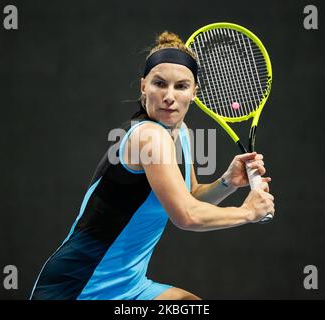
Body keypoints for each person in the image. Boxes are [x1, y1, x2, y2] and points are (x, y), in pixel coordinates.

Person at [30, 31, 275, 300]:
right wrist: (248, 212)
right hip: (79, 287)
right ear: (144, 86)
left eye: (181, 86)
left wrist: (227, 182)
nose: (169, 96)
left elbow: (190, 196)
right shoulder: (150, 137)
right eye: (160, 84)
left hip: (129, 287)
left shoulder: (180, 133)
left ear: (194, 93)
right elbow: (187, 215)